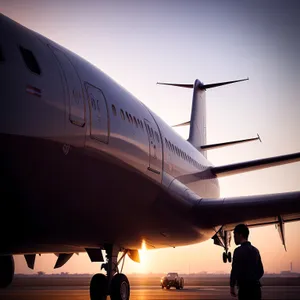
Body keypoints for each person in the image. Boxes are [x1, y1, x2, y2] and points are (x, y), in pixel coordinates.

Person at [230, 224, 264, 300]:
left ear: (240, 235)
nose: (234, 238)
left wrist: (232, 286)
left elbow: (234, 270)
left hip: (244, 290)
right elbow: (261, 271)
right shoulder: (255, 250)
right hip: (256, 289)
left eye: (235, 235)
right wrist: (253, 279)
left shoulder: (238, 251)